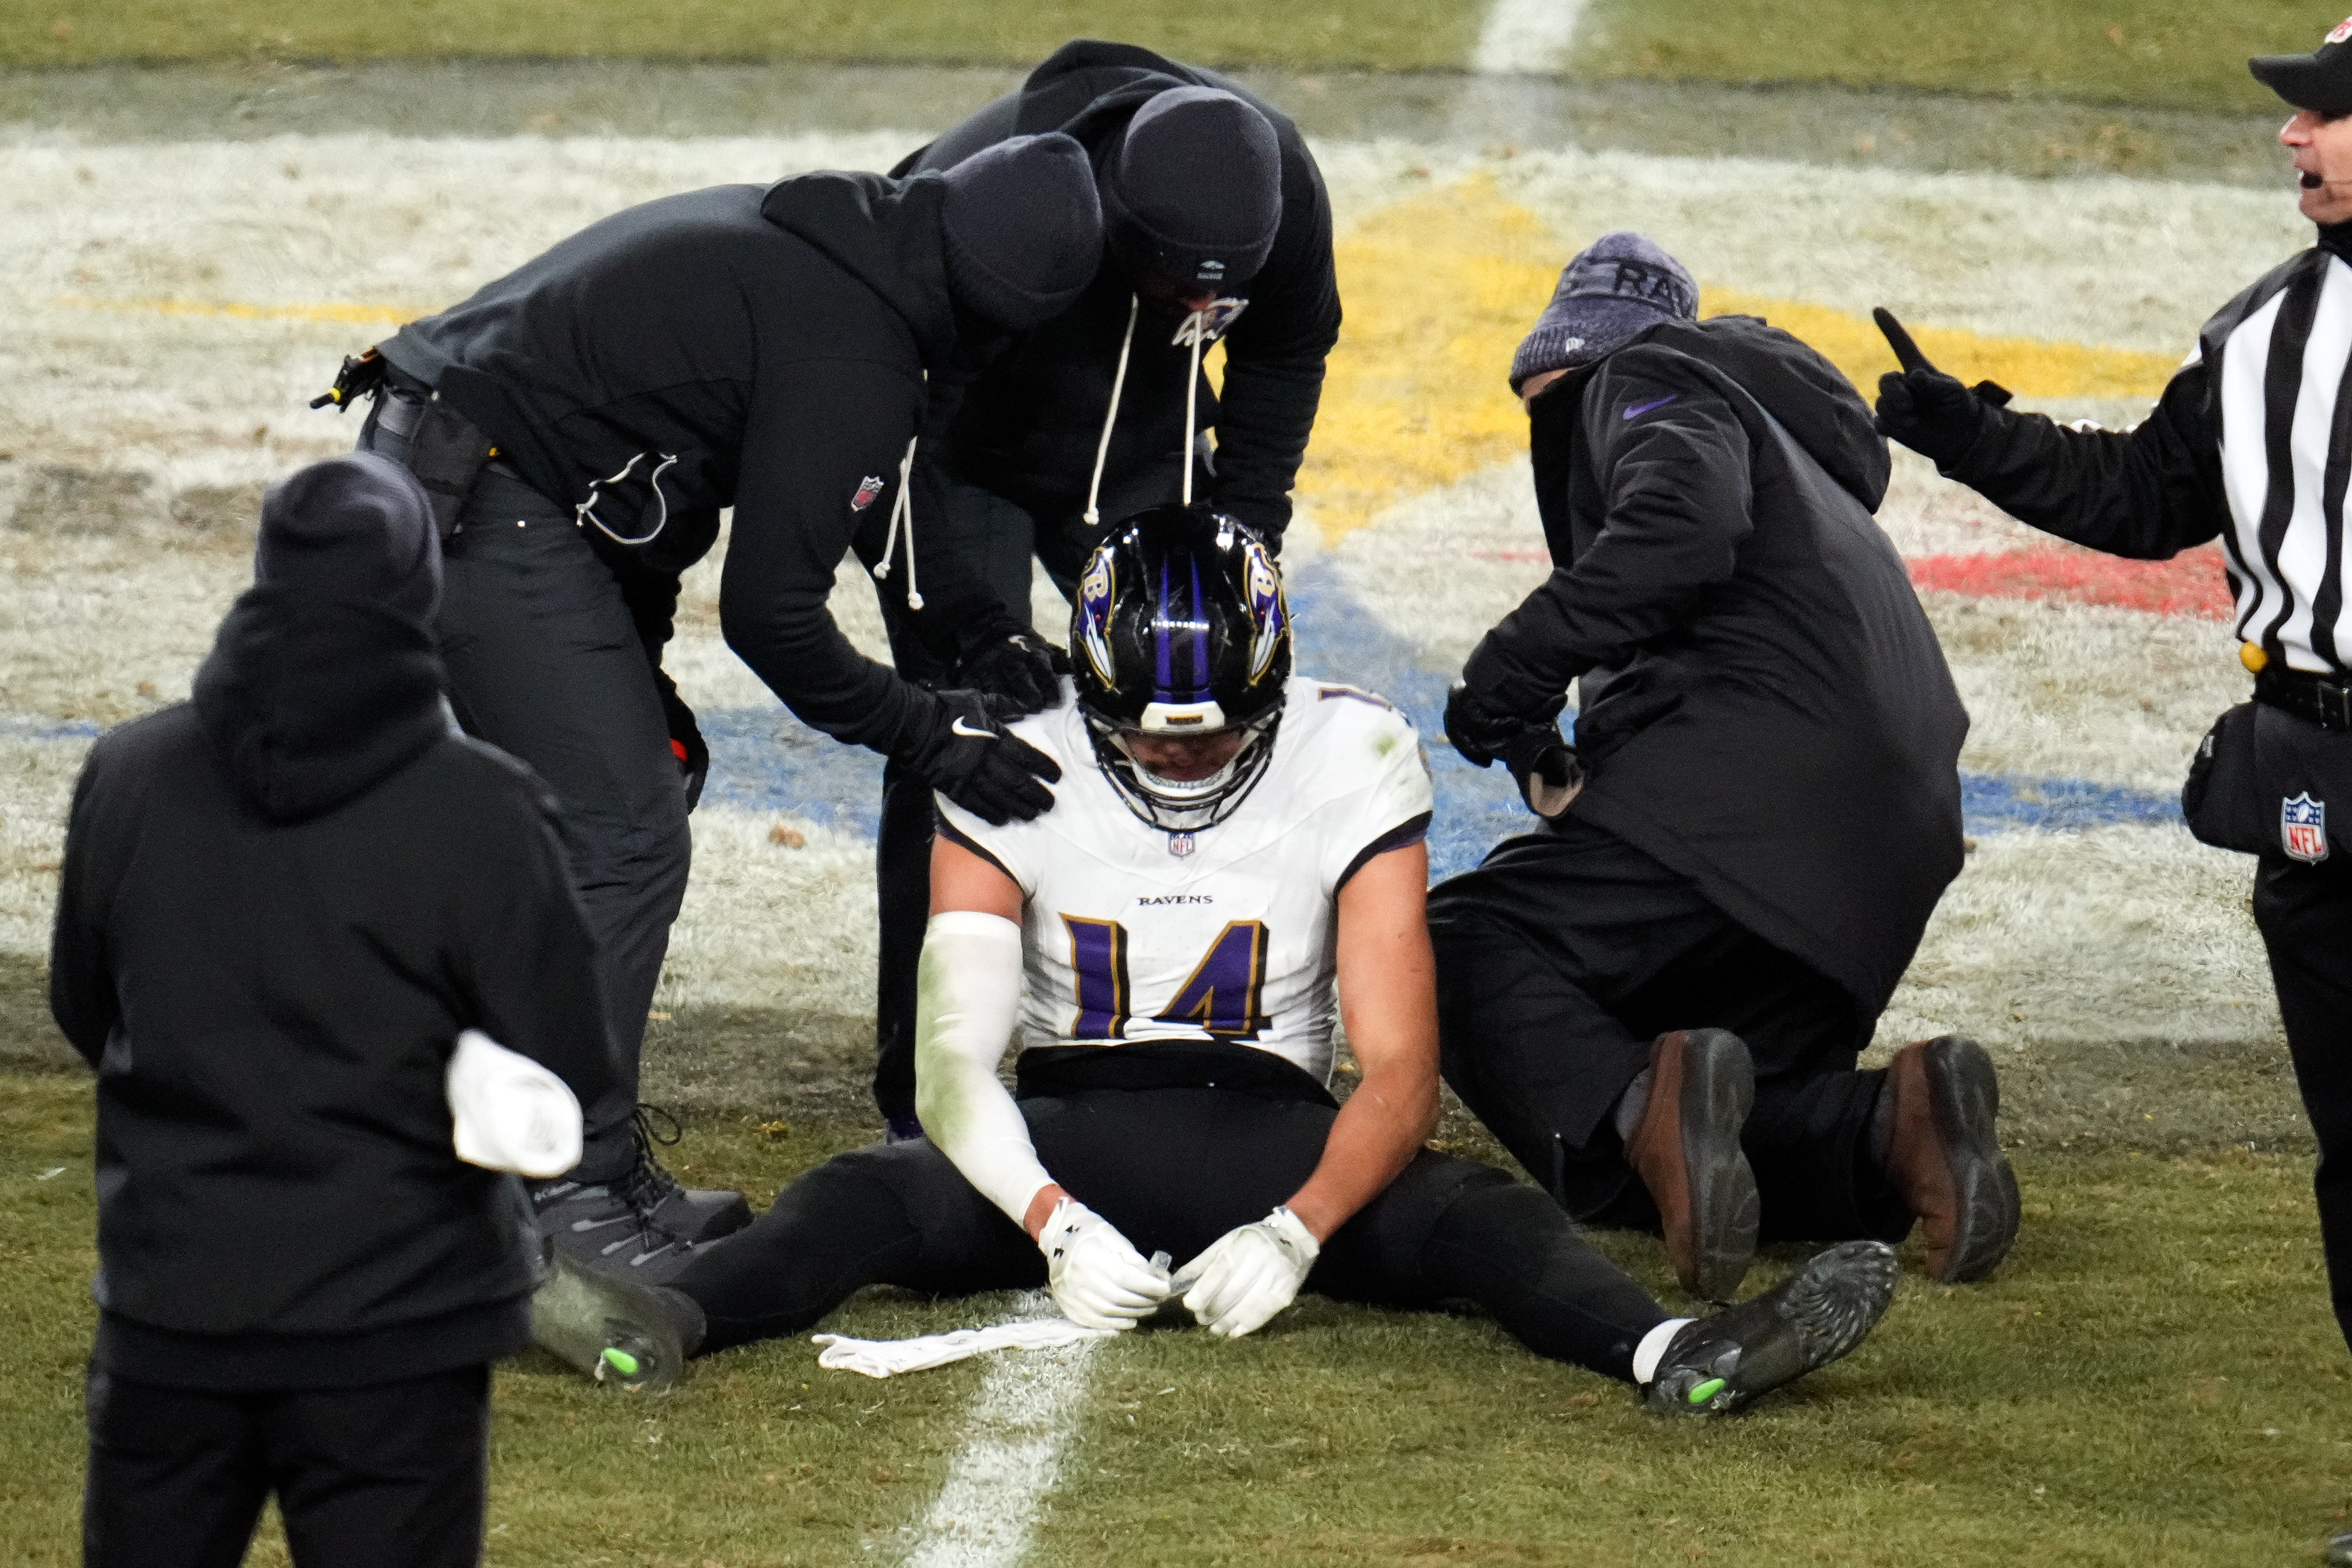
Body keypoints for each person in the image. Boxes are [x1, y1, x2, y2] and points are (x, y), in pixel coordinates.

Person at [529, 505, 1901, 1416]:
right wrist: (1050, 1223)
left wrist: (1297, 1230)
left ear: (1274, 685)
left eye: (1211, 734)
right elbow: (949, 1066)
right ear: (1089, 687)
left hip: (1274, 1138)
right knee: (849, 1202)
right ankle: (653, 1318)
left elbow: (1402, 1069)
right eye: (1146, 732)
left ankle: (1673, 1353)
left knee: (1483, 1224)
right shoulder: (1015, 757)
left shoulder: (1349, 751)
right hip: (1058, 1137)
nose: (1178, 761)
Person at [317, 133, 1103, 1270]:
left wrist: (979, 630)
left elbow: (817, 490)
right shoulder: (857, 348)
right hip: (482, 496)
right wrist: (932, 736)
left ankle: (523, 1161)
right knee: (625, 836)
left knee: (619, 800)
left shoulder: (853, 250)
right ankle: (562, 1192)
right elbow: (772, 618)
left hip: (473, 468)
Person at [1871, 25, 2352, 1559]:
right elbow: (2144, 496)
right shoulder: (2261, 333)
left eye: (2328, 116)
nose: (2292, 137)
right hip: (2314, 782)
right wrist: (1972, 437)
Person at [48, 455, 617, 1568]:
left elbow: (84, 1008)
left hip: (173, 1309)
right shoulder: (485, 808)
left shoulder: (128, 772)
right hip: (396, 1329)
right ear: (419, 590)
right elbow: (568, 1063)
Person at [1431, 231, 2018, 1302]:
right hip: (1884, 852)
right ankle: (1891, 1127)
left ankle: (1635, 1111)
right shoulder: (1806, 468)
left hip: (1747, 792)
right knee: (1720, 1095)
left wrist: (1508, 670)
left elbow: (1678, 529)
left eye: (1544, 404)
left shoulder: (1642, 374)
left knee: (1455, 947)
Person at [866, 39, 1345, 1139]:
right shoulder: (1006, 203)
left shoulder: (1280, 191)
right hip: (957, 448)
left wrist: (1242, 540)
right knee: (962, 731)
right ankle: (925, 1091)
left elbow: (1283, 357)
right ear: (1116, 231)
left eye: (1218, 291)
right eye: (1177, 285)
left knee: (1203, 691)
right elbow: (896, 437)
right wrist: (974, 627)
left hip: (1139, 442)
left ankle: (1178, 1046)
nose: (1200, 302)